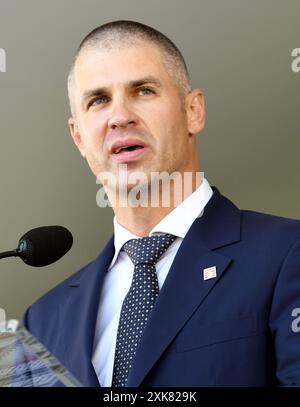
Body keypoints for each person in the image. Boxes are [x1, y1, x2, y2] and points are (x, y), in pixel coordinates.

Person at [23, 20, 300, 387]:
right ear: (78, 137)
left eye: (143, 91)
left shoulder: (287, 253)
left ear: (193, 111)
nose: (119, 117)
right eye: (99, 100)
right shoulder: (41, 321)